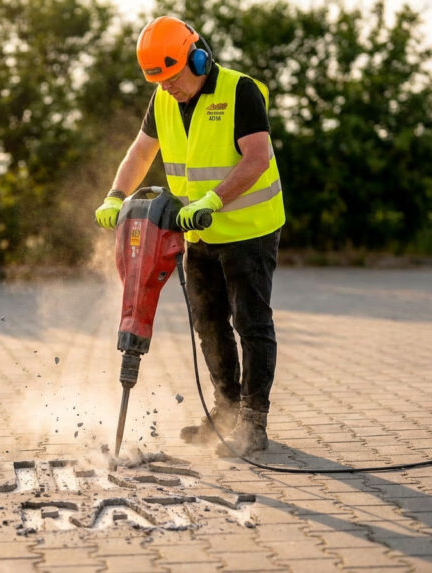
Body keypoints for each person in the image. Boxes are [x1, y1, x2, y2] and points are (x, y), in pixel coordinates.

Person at [94, 16, 285, 457]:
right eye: (158, 81)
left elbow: (256, 158)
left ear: (198, 58)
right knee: (208, 322)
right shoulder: (163, 98)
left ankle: (253, 423)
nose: (167, 87)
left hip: (250, 230)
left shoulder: (240, 91)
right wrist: (114, 196)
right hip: (196, 234)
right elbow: (141, 151)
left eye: (173, 76)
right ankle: (225, 411)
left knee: (251, 323)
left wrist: (213, 200)